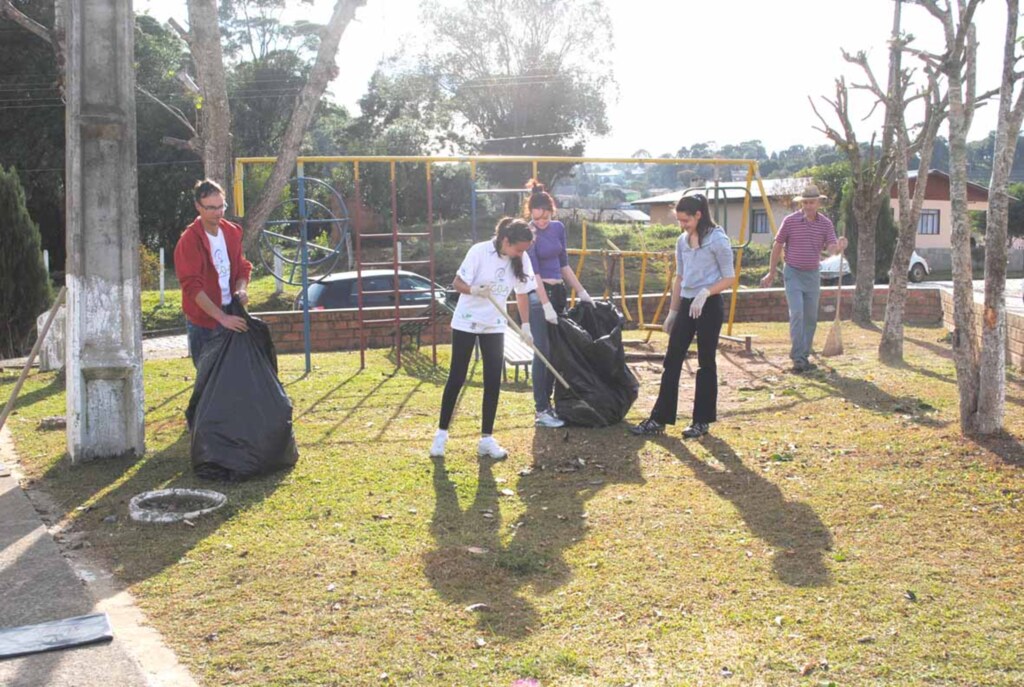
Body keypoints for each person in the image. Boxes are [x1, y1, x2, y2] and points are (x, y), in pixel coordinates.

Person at [429, 217, 537, 460]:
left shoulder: (521, 258)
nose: (521, 253)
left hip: (494, 325)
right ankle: (441, 435)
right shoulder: (479, 251)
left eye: (524, 250)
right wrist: (474, 290)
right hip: (466, 321)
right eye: (518, 249)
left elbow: (521, 293)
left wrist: (526, 325)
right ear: (506, 241)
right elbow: (457, 283)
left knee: (492, 381)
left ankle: (486, 440)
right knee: (457, 377)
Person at [630, 194, 735, 439]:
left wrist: (706, 293)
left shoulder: (718, 240)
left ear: (698, 215)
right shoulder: (682, 241)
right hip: (687, 302)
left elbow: (729, 277)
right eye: (679, 221)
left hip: (708, 304)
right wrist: (673, 312)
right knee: (672, 359)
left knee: (705, 362)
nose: (682, 225)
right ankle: (659, 418)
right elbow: (679, 277)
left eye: (686, 220)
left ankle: (701, 421)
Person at [522, 180, 593, 429]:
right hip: (539, 296)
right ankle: (541, 409)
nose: (540, 223)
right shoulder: (528, 234)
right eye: (536, 218)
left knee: (559, 349)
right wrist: (545, 305)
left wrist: (582, 291)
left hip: (559, 292)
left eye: (544, 217)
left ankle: (554, 403)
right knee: (543, 352)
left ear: (551, 211)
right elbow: (535, 274)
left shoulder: (558, 228)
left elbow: (563, 265)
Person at [759, 184, 847, 373]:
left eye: (812, 202)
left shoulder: (825, 224)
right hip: (792, 273)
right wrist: (771, 272)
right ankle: (798, 357)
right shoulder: (790, 221)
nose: (808, 206)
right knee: (797, 313)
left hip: (813, 274)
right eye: (805, 202)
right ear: (802, 203)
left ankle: (803, 355)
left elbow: (831, 248)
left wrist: (838, 247)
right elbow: (777, 246)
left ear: (818, 203)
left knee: (810, 318)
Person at [174, 179, 253, 367]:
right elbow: (192, 287)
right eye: (210, 208)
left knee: (237, 376)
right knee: (209, 383)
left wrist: (241, 289)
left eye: (221, 206)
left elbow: (242, 267)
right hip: (204, 323)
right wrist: (222, 318)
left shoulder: (232, 232)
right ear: (198, 207)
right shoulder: (189, 241)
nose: (218, 213)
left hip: (231, 312)